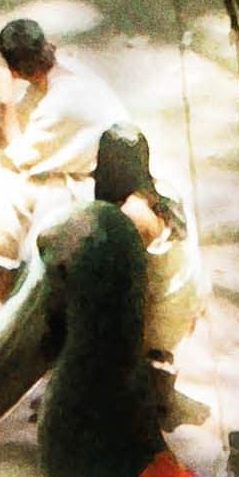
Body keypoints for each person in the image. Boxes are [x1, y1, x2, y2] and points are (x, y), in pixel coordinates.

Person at [0, 17, 126, 297]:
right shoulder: (53, 73)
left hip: (86, 184)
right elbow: (3, 131)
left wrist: (5, 101)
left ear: (16, 71)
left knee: (1, 182)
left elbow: (18, 155)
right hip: (67, 166)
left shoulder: (60, 101)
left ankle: (1, 278)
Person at [94, 123, 207, 418]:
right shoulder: (163, 189)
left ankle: (141, 370)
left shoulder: (132, 216)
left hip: (164, 318)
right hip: (185, 304)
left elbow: (130, 287)